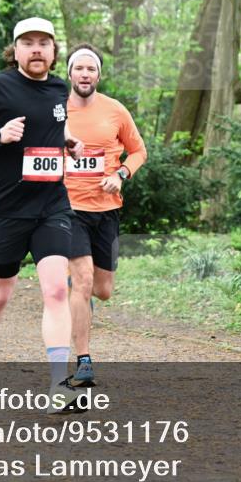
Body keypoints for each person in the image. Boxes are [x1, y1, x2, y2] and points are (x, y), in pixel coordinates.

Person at [0, 17, 88, 414]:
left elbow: (50, 130)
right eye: (28, 43)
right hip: (7, 210)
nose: (37, 49)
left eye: (45, 42)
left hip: (52, 206)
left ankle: (60, 386)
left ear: (54, 50)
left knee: (57, 290)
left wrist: (69, 143)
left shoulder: (61, 89)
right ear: (16, 51)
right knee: (0, 293)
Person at [63, 44, 147, 386]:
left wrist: (121, 175)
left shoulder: (115, 110)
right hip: (68, 209)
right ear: (69, 73)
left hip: (107, 211)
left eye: (91, 69)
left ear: (98, 74)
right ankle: (83, 360)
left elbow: (139, 151)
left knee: (103, 289)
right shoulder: (55, 109)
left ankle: (75, 290)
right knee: (83, 282)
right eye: (79, 68)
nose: (85, 74)